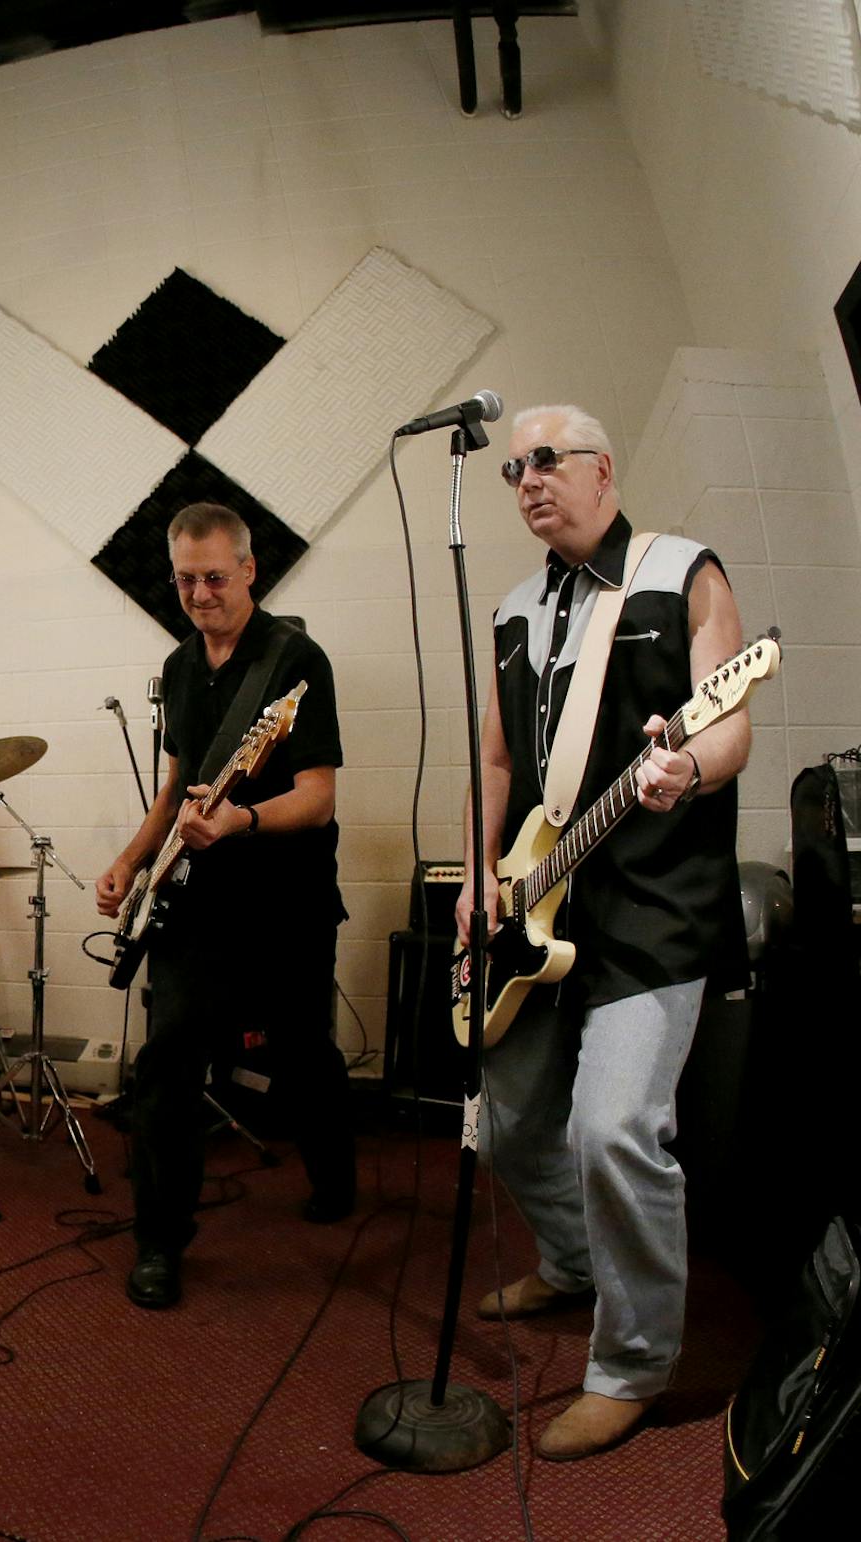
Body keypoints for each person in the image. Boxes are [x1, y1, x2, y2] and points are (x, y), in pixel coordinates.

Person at [458, 404, 750, 1460]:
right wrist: (477, 878)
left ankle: (630, 1364)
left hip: (654, 903)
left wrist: (688, 765)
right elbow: (498, 763)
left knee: (614, 1128)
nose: (530, 479)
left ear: (604, 471)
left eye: (548, 460)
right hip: (539, 901)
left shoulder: (681, 573)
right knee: (511, 1125)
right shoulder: (511, 609)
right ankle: (575, 1261)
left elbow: (730, 718)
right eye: (513, 469)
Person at [94, 502, 355, 1310]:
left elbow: (316, 797)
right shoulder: (177, 668)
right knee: (167, 1060)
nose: (200, 593)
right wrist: (133, 862)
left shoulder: (295, 659)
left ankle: (335, 1171)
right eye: (185, 580)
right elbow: (178, 786)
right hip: (196, 901)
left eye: (214, 577)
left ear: (248, 570)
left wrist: (241, 820)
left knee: (304, 1050)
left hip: (287, 898)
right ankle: (159, 1241)